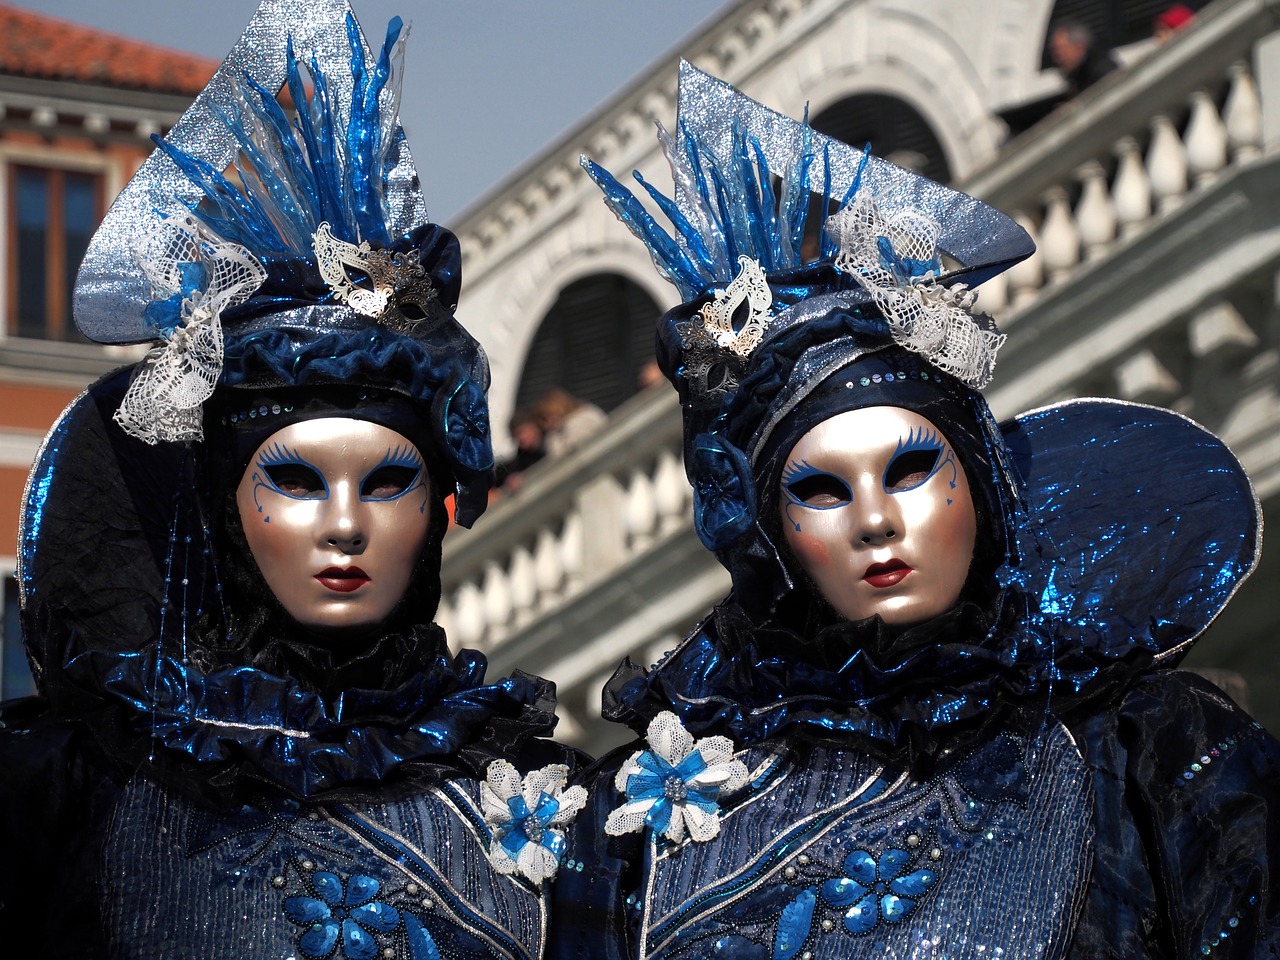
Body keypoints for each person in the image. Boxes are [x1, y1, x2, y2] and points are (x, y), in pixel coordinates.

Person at [551, 61, 1279, 959]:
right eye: (819, 490)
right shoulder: (666, 830)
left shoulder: (1145, 755)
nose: (874, 521)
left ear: (979, 478)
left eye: (908, 470)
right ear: (772, 541)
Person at [0, 3, 582, 956]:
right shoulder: (86, 798)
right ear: (227, 509)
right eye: (299, 482)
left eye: (387, 483)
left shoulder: (547, 811)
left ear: (436, 511)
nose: (343, 525)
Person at [1048, 19, 1120, 97]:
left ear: (1080, 47)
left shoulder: (1103, 74)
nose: (1057, 58)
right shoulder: (1078, 75)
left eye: (1061, 51)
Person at [535, 387, 608, 458]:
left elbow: (565, 455)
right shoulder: (558, 431)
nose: (549, 420)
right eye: (545, 418)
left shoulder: (583, 418)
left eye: (550, 414)